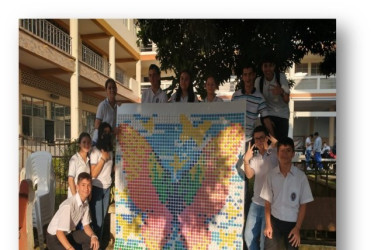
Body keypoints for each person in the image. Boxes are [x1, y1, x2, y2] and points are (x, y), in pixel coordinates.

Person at [260, 137, 314, 250]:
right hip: (274, 222)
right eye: (282, 150)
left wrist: (297, 228)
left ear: (293, 154)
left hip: (292, 224)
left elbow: (304, 204)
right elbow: (267, 203)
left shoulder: (301, 177)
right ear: (277, 153)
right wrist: (268, 225)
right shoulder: (271, 175)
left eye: (288, 150)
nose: (284, 154)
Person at [243, 126, 278, 250]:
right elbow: (249, 174)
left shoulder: (275, 154)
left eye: (261, 138)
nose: (259, 141)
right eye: (256, 139)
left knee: (264, 242)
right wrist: (246, 161)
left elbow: (286, 154)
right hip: (255, 203)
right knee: (248, 237)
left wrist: (276, 143)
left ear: (267, 138)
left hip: (270, 206)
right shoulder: (255, 158)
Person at [46, 172, 99, 250]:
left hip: (67, 234)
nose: (86, 188)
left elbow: (86, 226)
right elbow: (59, 232)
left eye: (89, 185)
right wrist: (70, 248)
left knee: (91, 239)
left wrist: (94, 236)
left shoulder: (86, 203)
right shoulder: (68, 205)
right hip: (54, 238)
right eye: (83, 185)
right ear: (77, 187)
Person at [231, 64, 274, 143]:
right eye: (245, 75)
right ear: (242, 77)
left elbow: (266, 120)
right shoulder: (235, 96)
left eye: (250, 74)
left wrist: (274, 139)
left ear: (254, 75)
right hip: (234, 139)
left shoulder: (260, 98)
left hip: (249, 140)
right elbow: (230, 116)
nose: (248, 78)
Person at [89, 122, 114, 246]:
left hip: (107, 188)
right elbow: (93, 173)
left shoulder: (111, 151)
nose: (107, 134)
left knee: (103, 219)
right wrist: (103, 159)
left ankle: (98, 244)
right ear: (100, 134)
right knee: (97, 221)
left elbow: (110, 170)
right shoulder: (95, 151)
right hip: (97, 188)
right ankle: (95, 245)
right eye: (104, 132)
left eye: (109, 132)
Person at [255, 56, 290, 141]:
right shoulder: (258, 81)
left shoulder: (280, 77)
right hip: (267, 115)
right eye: (265, 66)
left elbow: (287, 100)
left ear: (274, 67)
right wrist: (267, 119)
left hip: (282, 115)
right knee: (268, 145)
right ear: (262, 68)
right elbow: (258, 104)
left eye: (270, 66)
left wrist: (281, 91)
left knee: (281, 144)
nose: (268, 69)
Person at [92, 78, 118, 144]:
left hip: (109, 142)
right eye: (109, 88)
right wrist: (111, 131)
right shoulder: (102, 105)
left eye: (114, 87)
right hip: (98, 142)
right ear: (106, 90)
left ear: (116, 89)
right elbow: (97, 125)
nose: (112, 90)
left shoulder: (118, 106)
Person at [68, 132, 92, 198]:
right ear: (79, 144)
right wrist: (75, 197)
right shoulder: (74, 159)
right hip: (74, 197)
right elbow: (70, 180)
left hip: (84, 196)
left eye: (88, 142)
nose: (86, 144)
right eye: (84, 142)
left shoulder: (89, 159)